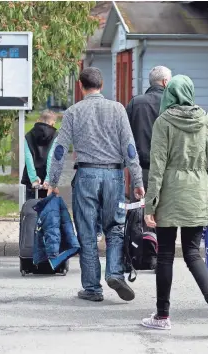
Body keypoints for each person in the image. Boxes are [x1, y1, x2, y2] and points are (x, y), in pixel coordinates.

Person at [48, 67, 145, 302]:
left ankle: (92, 288)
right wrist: (138, 181)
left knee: (87, 232)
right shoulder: (118, 109)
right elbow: (129, 148)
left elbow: (60, 149)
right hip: (114, 175)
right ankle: (114, 273)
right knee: (116, 227)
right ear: (101, 85)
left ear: (81, 86)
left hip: (86, 176)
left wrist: (52, 181)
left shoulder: (73, 111)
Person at [142, 75, 208, 336]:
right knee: (193, 254)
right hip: (198, 191)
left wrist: (150, 205)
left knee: (166, 255)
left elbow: (157, 166)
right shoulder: (206, 119)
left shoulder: (163, 122)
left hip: (169, 192)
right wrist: (206, 180)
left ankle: (163, 316)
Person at [125, 66, 172, 197]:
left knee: (139, 211)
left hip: (141, 170)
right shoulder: (174, 105)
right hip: (168, 171)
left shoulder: (136, 103)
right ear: (165, 82)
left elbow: (125, 135)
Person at [22, 110, 58, 200]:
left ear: (38, 120)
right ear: (53, 123)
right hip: (47, 178)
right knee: (48, 210)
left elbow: (28, 158)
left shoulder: (28, 135)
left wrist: (33, 179)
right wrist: (48, 179)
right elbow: (51, 158)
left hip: (31, 179)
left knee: (31, 209)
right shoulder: (55, 136)